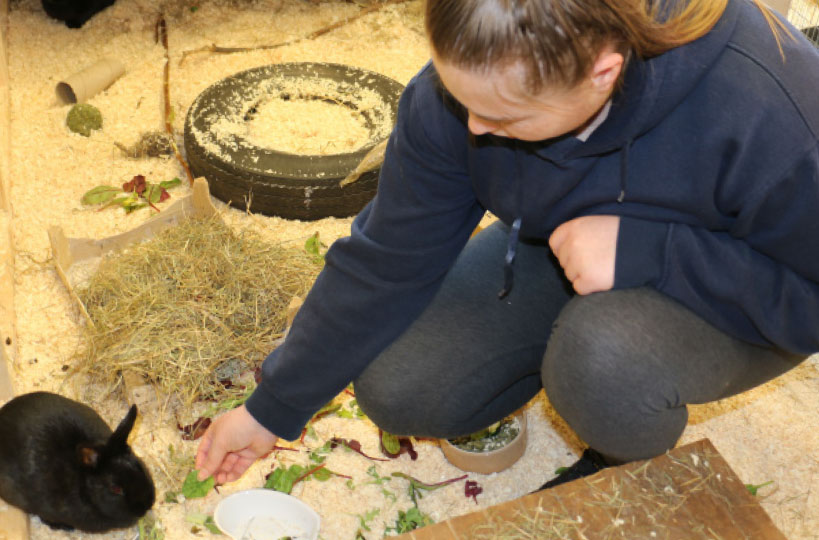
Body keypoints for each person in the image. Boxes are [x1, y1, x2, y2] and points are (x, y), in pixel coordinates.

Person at [196, 0, 819, 489]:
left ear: (604, 72)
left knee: (602, 361)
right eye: (460, 98)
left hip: (746, 290)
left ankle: (618, 460)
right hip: (569, 250)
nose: (473, 128)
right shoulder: (470, 87)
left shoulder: (772, 103)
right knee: (399, 382)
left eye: (506, 118)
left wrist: (650, 255)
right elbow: (385, 262)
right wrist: (272, 407)